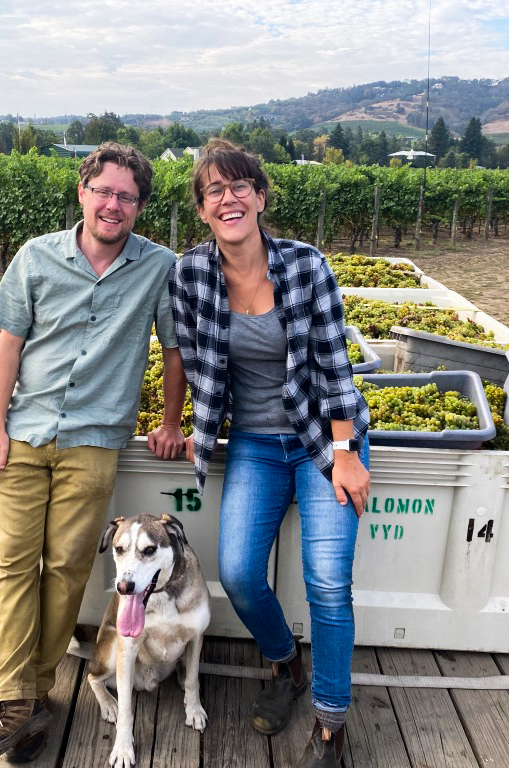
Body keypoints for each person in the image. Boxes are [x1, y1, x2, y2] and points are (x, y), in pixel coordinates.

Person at [0, 142, 187, 768]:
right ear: (83, 192)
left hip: (94, 438)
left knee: (64, 569)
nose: (114, 204)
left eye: (128, 196)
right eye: (104, 191)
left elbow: (174, 351)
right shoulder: (36, 257)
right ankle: (15, 700)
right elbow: (8, 346)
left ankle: (25, 699)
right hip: (26, 432)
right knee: (13, 563)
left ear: (140, 206)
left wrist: (171, 421)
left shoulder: (158, 267)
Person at [170, 138, 370, 768]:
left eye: (238, 187)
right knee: (239, 576)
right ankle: (286, 666)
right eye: (213, 191)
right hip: (255, 443)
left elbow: (337, 372)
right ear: (203, 210)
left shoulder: (306, 266)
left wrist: (345, 453)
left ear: (259, 196)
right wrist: (173, 423)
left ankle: (331, 728)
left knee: (329, 586)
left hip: (322, 439)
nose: (227, 199)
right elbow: (180, 355)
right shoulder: (191, 273)